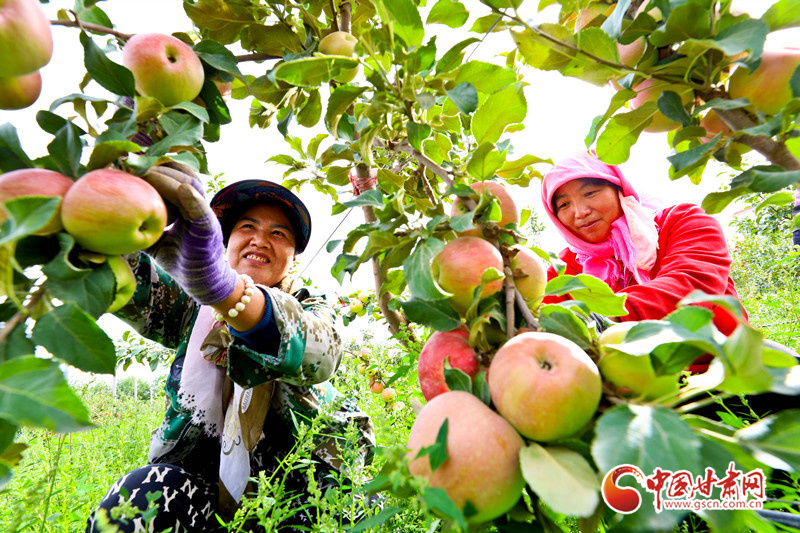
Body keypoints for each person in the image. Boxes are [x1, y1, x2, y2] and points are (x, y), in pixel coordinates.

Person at [86, 162, 375, 532]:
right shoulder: (193, 309)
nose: (260, 239)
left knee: (338, 512)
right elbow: (121, 278)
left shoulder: (309, 306)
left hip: (303, 486)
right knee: (143, 497)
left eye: (278, 232)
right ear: (225, 242)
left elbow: (321, 350)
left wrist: (223, 289)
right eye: (247, 227)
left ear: (294, 257)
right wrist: (121, 187)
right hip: (204, 487)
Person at [539, 152, 748, 372]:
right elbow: (539, 314)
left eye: (590, 193)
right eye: (563, 205)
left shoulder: (684, 222)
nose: (580, 212)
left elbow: (689, 285)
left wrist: (606, 318)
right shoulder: (565, 269)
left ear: (619, 188)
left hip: (724, 371)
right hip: (636, 389)